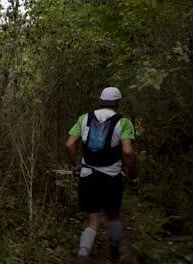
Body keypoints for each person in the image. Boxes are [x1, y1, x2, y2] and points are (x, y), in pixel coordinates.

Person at [65, 87, 138, 263]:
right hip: (112, 178)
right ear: (117, 102)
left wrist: (76, 166)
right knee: (113, 215)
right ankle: (114, 252)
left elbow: (69, 145)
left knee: (93, 220)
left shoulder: (84, 118)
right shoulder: (124, 123)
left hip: (88, 176)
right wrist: (133, 175)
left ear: (100, 100)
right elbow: (127, 152)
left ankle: (83, 254)